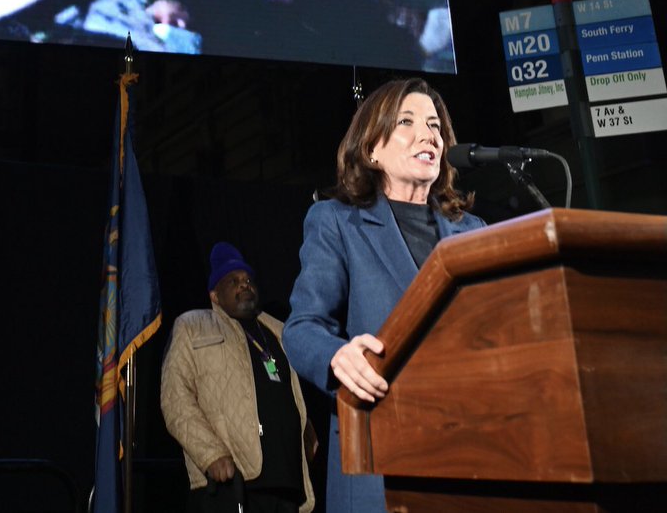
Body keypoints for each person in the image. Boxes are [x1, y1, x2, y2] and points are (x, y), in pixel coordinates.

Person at [281, 77, 486, 512]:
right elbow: (302, 329)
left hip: (470, 454)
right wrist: (337, 357)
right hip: (380, 453)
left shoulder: (475, 232)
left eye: (434, 125)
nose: (427, 134)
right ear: (372, 149)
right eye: (406, 122)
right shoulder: (337, 221)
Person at [161, 242, 317, 513]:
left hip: (286, 485)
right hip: (233, 482)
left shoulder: (279, 331)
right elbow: (175, 397)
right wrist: (211, 454)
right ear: (214, 295)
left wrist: (307, 434)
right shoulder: (193, 325)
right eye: (233, 280)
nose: (244, 284)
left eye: (247, 279)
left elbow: (289, 393)